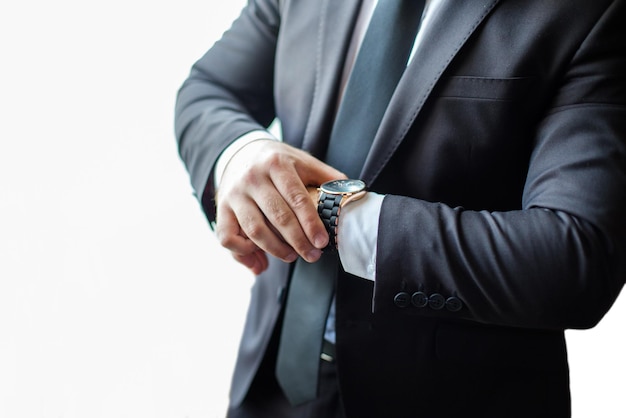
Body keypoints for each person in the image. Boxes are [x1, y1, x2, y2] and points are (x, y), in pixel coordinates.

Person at [174, 0, 626, 417]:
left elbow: (576, 254)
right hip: (273, 378)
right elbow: (210, 87)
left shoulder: (591, 11)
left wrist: (336, 217)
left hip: (451, 398)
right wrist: (239, 154)